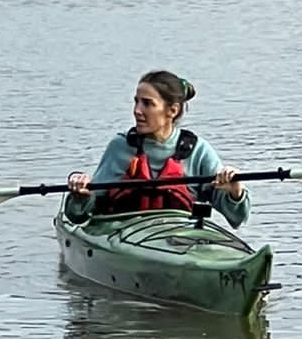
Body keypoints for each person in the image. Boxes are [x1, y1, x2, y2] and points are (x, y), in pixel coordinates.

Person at [66, 70, 249, 227]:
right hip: (121, 236)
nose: (137, 110)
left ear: (172, 110)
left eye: (147, 103)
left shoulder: (198, 151)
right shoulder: (120, 147)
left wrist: (235, 191)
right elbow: (78, 216)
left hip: (180, 240)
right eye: (136, 102)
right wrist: (81, 195)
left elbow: (238, 218)